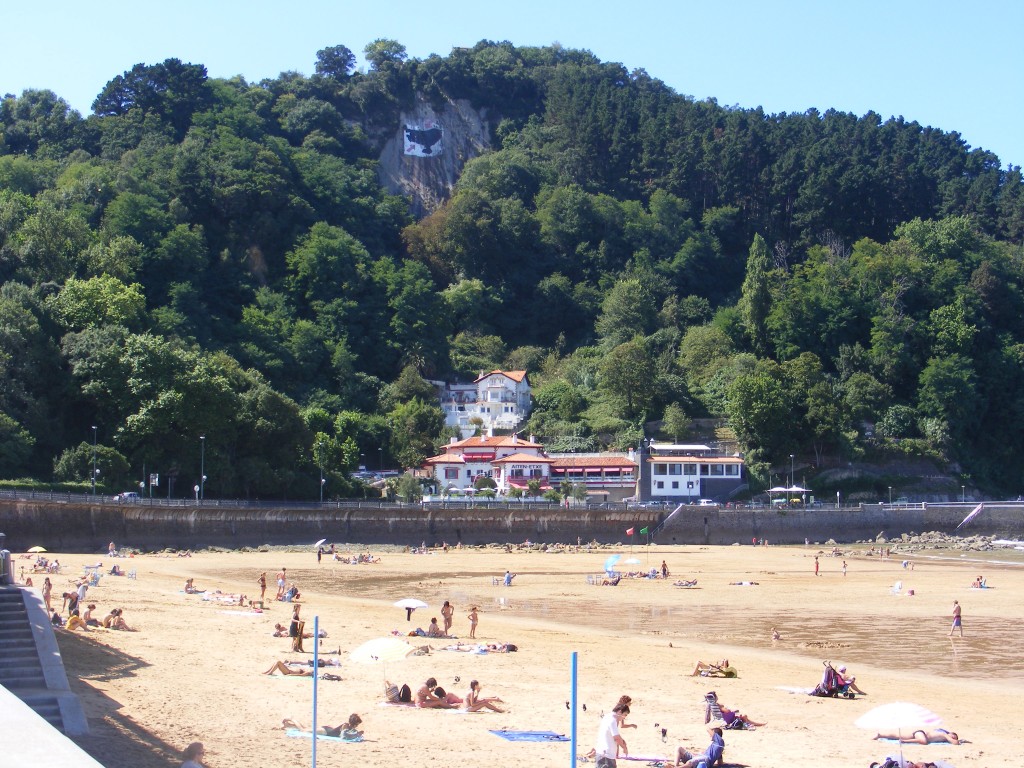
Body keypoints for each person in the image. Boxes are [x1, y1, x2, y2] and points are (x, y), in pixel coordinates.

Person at [594, 701, 629, 767]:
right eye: (625, 715)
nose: (624, 718)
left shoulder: (607, 716)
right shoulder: (612, 720)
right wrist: (624, 747)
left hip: (602, 753)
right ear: (620, 712)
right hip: (606, 755)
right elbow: (616, 738)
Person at [282, 713, 363, 739]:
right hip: (325, 732)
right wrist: (357, 734)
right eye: (357, 724)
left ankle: (289, 725)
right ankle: (292, 719)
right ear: (354, 723)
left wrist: (357, 733)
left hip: (328, 730)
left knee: (306, 728)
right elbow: (343, 736)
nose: (357, 726)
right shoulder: (346, 725)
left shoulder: (350, 727)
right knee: (303, 730)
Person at [873, 729, 960, 745]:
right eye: (954, 736)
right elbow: (955, 743)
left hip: (920, 733)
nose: (953, 738)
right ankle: (904, 741)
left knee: (897, 735)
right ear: (950, 733)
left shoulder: (943, 737)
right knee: (924, 741)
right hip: (921, 734)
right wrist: (955, 740)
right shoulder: (944, 734)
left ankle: (880, 735)